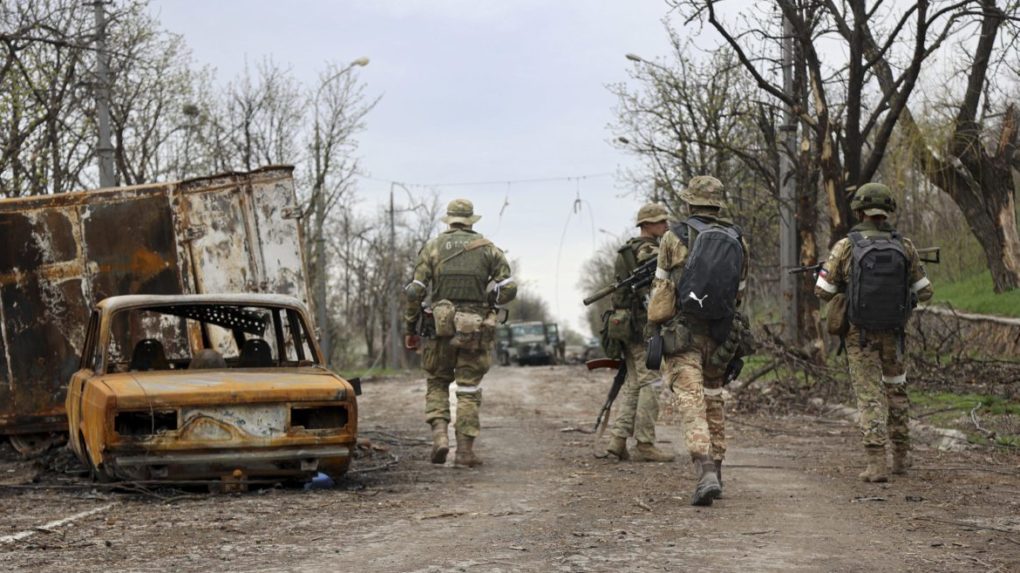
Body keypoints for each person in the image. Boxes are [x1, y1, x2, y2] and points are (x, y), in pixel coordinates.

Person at [814, 182, 933, 482]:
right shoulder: (904, 245)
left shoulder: (846, 246)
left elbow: (822, 290)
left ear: (859, 210)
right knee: (896, 390)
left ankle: (877, 463)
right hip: (894, 333)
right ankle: (902, 459)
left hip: (860, 335)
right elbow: (926, 291)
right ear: (887, 210)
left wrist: (840, 280)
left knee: (869, 395)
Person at [647, 175, 749, 506]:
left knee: (691, 402)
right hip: (721, 334)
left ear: (690, 202)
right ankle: (717, 470)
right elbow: (740, 294)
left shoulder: (672, 237)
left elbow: (661, 292)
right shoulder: (737, 239)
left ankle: (704, 469)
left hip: (684, 333)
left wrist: (656, 328)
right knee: (714, 398)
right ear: (718, 203)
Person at [404, 198, 517, 468]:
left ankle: (440, 436)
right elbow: (510, 287)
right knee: (468, 389)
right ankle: (465, 453)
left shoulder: (432, 248)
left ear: (449, 219)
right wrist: (491, 301)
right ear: (470, 220)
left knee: (437, 382)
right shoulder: (489, 250)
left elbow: (415, 291)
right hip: (474, 331)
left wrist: (411, 327)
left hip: (438, 330)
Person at [601, 203, 674, 462]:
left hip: (627, 327)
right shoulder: (647, 250)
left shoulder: (626, 250)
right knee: (652, 381)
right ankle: (644, 444)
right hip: (642, 326)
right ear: (646, 225)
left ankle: (617, 441)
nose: (666, 225)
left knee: (635, 384)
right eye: (660, 221)